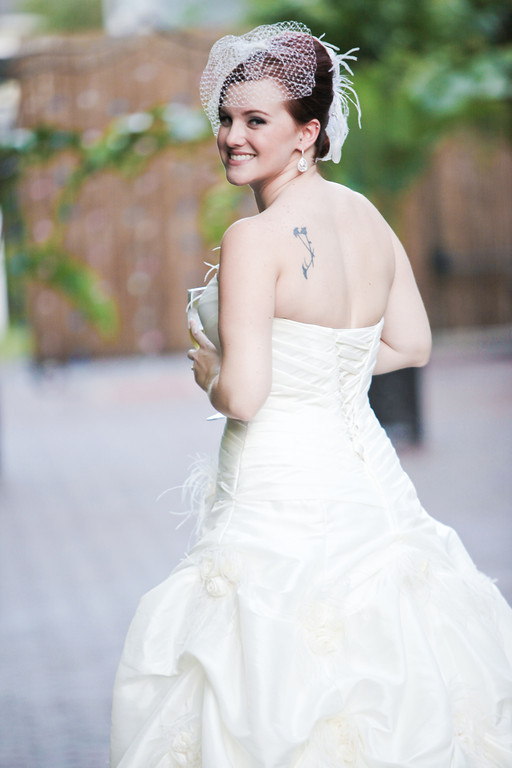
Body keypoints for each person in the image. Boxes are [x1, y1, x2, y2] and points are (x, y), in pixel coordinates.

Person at [110, 21, 512, 767]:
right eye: (227, 119)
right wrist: (327, 374)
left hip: (278, 488)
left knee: (266, 683)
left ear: (308, 132)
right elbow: (410, 344)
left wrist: (211, 375)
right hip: (368, 483)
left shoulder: (253, 241)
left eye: (256, 120)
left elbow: (246, 397)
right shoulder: (365, 215)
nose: (232, 135)